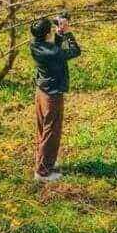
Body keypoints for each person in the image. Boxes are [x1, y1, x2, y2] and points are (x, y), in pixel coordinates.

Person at [29, 14, 81, 183]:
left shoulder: (35, 45)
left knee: (43, 129)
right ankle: (43, 172)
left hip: (41, 91)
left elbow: (55, 52)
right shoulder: (51, 52)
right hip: (52, 95)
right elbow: (75, 51)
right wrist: (67, 32)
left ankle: (45, 162)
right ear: (46, 34)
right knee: (52, 131)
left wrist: (58, 35)